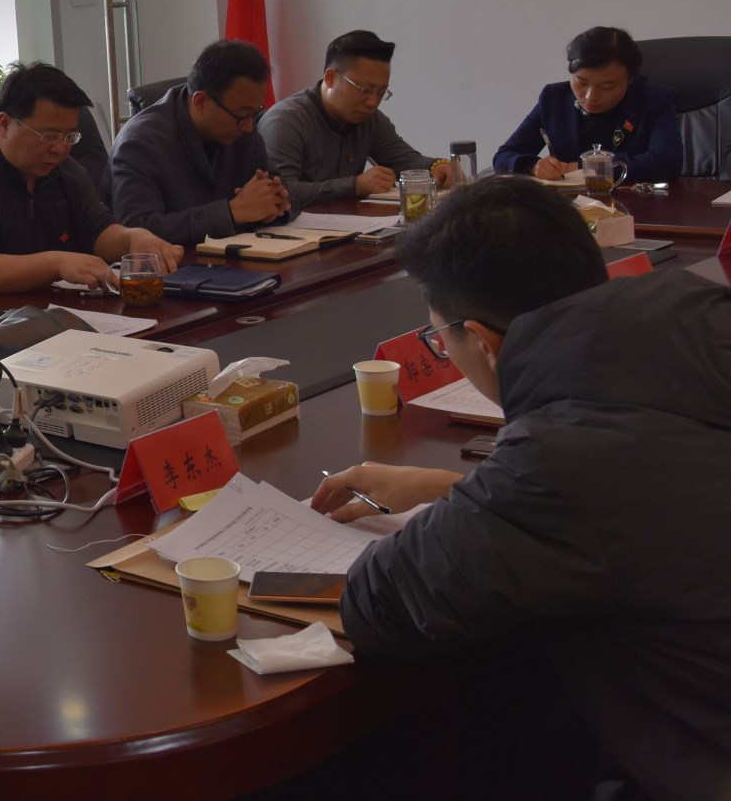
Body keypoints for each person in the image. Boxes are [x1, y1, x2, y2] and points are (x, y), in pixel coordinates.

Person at [312, 176, 731, 800]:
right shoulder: (704, 321)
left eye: (440, 339)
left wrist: (487, 500)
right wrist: (461, 489)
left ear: (483, 343)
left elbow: (381, 605)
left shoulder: (561, 462)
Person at [0, 63, 184, 305]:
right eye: (48, 135)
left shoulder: (64, 170)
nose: (59, 149)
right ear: (5, 124)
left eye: (70, 136)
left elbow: (97, 231)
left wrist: (133, 239)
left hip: (39, 313)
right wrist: (57, 263)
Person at [109, 39, 293, 245]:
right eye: (242, 115)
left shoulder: (241, 124)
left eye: (255, 113)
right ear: (201, 101)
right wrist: (231, 213)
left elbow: (281, 188)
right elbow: (136, 230)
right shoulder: (140, 143)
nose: (250, 127)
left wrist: (273, 205)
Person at [259, 30, 455, 211]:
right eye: (364, 90)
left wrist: (436, 166)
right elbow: (282, 192)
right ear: (330, 78)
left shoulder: (370, 119)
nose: (373, 102)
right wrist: (354, 185)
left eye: (381, 92)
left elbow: (404, 160)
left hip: (346, 226)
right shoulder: (285, 121)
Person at [493, 26, 683, 183]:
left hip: (636, 206)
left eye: (607, 86)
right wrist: (532, 166)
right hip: (569, 207)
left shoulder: (654, 100)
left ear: (630, 79)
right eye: (581, 82)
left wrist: (589, 167)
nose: (591, 96)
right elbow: (504, 156)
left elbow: (667, 162)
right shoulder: (554, 98)